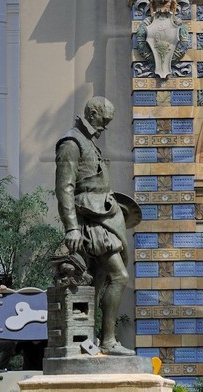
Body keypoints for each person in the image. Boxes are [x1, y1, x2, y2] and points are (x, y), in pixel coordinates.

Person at [55, 95, 141, 355]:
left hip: (102, 217)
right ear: (91, 114)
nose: (105, 126)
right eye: (103, 121)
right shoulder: (71, 143)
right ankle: (108, 341)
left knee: (96, 285)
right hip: (91, 224)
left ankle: (89, 342)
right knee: (119, 277)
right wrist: (71, 227)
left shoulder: (88, 142)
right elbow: (64, 188)